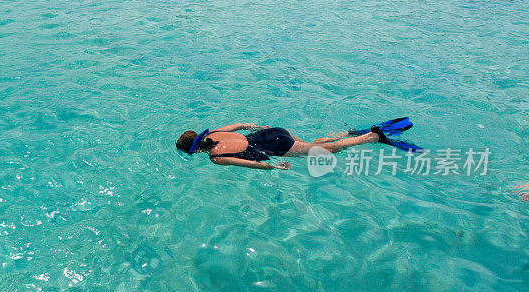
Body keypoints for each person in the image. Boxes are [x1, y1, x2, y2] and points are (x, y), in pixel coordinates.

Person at [176, 119, 415, 171]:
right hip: (273, 132)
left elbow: (245, 164)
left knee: (325, 151)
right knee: (313, 144)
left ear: (195, 150)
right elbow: (240, 124)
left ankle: (372, 137)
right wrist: (257, 126)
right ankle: (348, 132)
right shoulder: (217, 132)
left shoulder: (215, 157)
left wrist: (274, 168)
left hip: (277, 145)